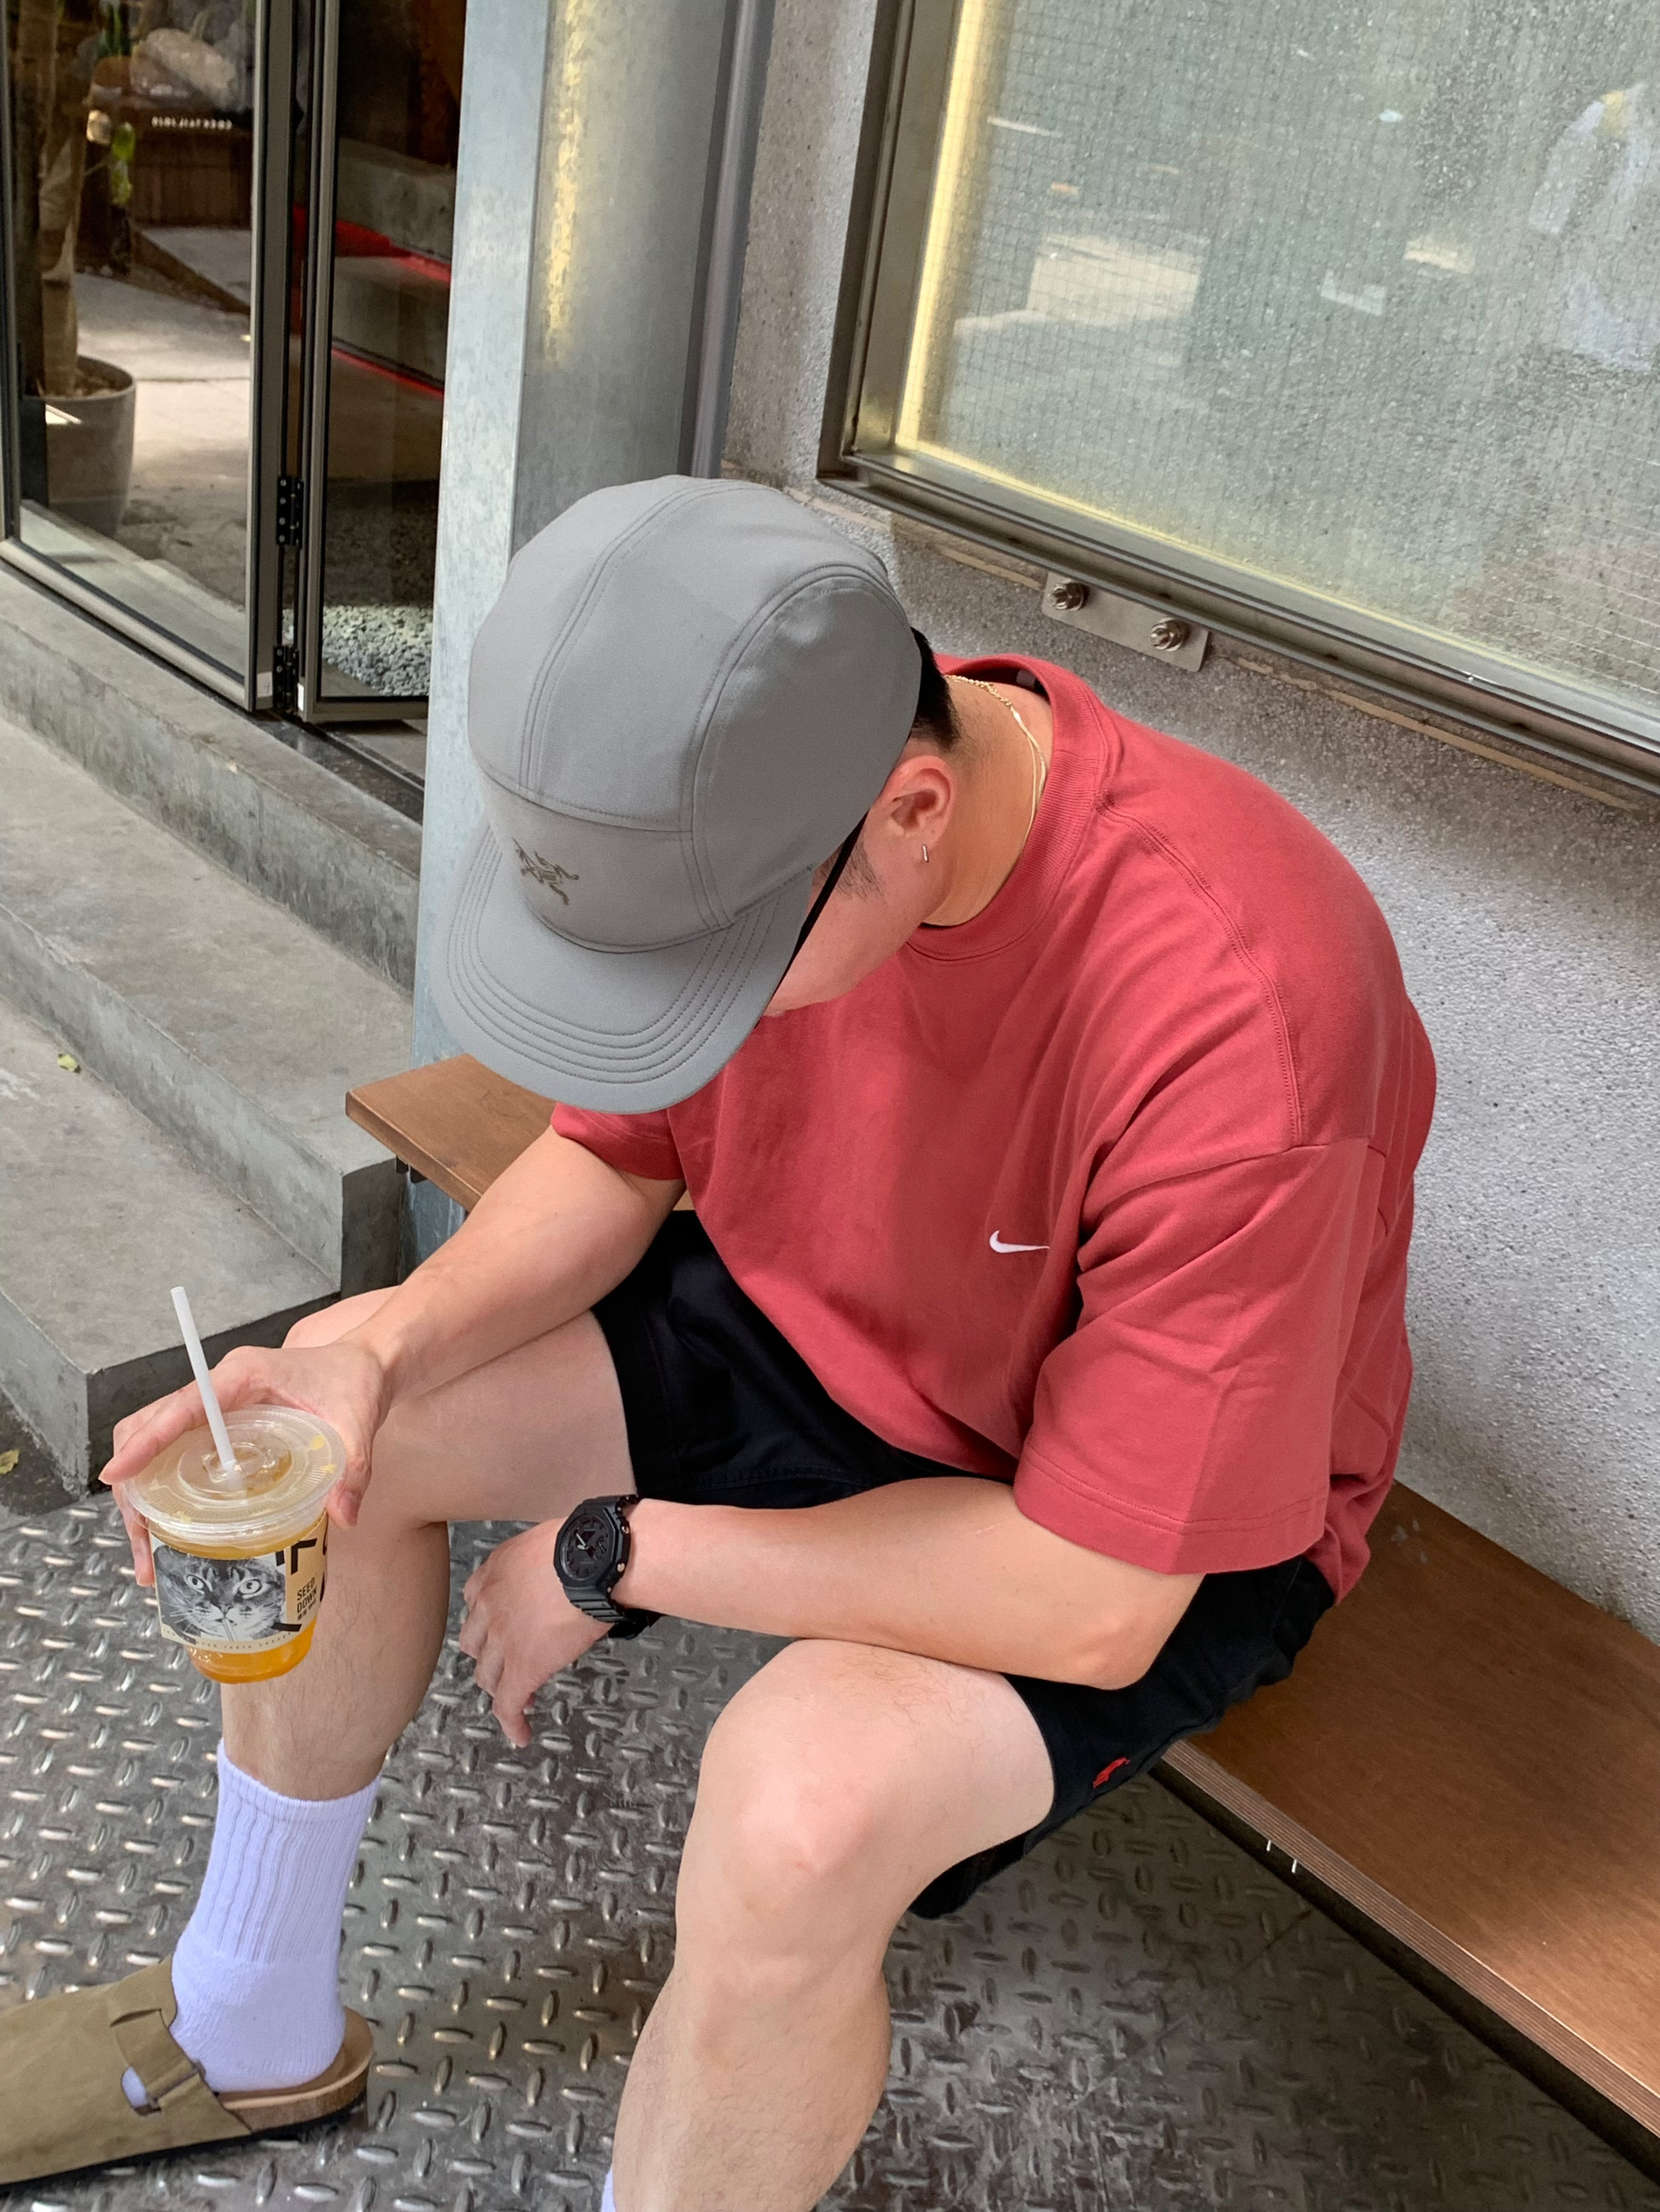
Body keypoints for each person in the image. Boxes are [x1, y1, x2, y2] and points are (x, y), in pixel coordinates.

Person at [0, 476, 1435, 2209]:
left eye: (710, 975)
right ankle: (250, 2019)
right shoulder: (743, 817)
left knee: (795, 1813)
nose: (684, 1016)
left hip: (1106, 1522)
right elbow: (617, 1157)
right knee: (328, 1441)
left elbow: (1091, 1597)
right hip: (801, 1324)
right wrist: (380, 1351)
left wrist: (619, 1552)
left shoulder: (1242, 1006)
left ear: (913, 812)